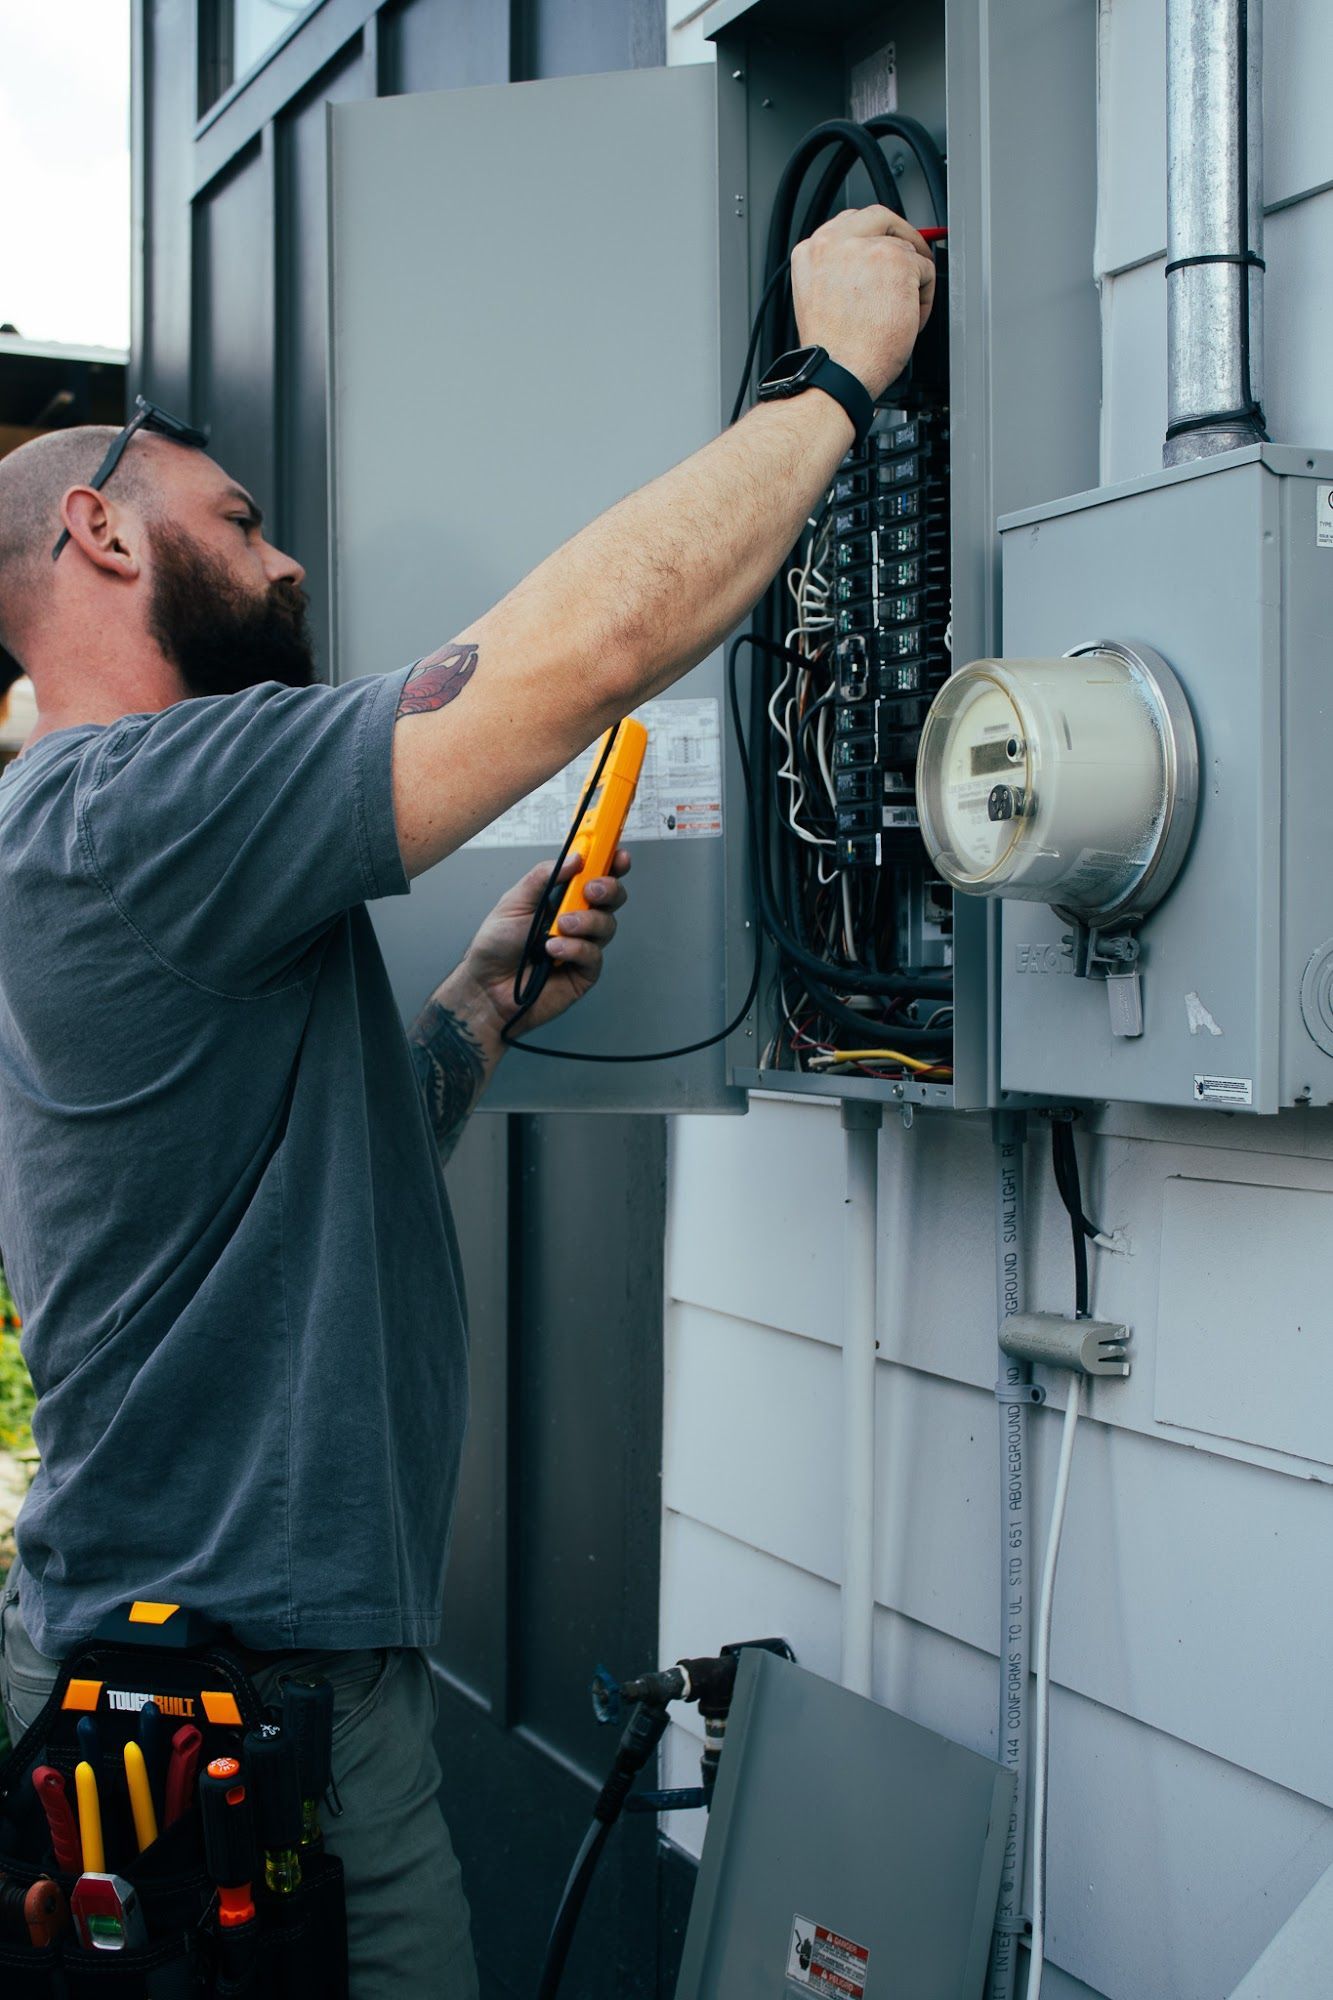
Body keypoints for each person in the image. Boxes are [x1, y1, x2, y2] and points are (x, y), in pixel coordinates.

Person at [0, 205, 934, 1994]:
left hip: (209, 1668)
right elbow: (571, 662)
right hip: (245, 1709)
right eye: (242, 518)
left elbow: (261, 1184)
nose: (280, 566)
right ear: (98, 528)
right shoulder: (141, 799)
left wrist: (484, 996)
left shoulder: (78, 843)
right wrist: (837, 378)